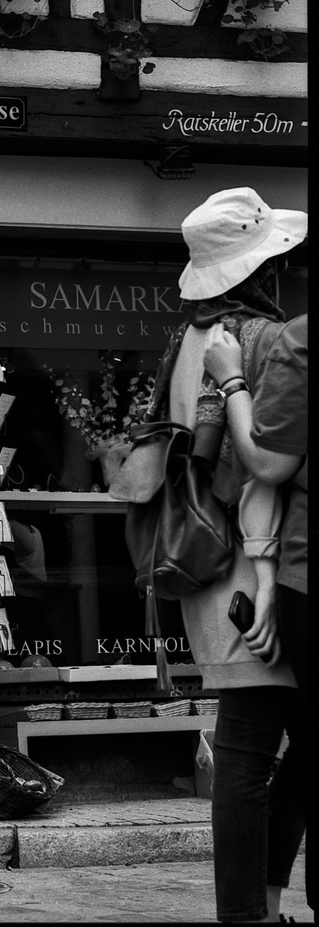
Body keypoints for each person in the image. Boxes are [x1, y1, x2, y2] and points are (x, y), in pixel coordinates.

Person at [168, 187, 305, 924]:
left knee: (254, 742)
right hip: (254, 568)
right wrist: (263, 575)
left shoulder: (185, 337)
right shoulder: (259, 338)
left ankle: (260, 906)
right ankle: (248, 913)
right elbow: (255, 472)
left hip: (202, 558)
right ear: (264, 268)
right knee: (252, 745)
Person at [205, 312, 309, 920]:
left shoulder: (284, 338)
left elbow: (266, 465)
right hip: (273, 563)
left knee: (256, 749)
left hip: (277, 567)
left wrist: (232, 383)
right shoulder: (281, 336)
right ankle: (262, 907)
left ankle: (259, 910)